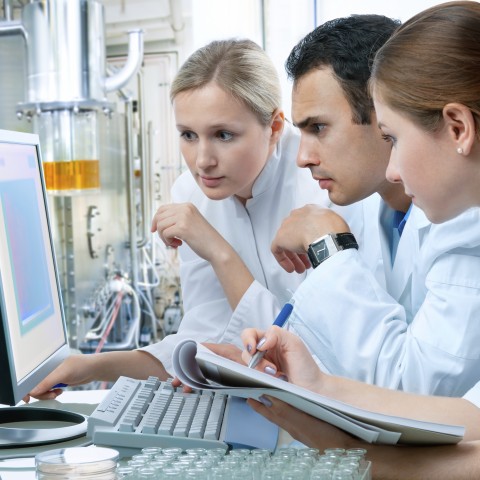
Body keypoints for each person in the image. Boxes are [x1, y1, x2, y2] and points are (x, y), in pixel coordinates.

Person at [25, 39, 363, 398]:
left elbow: (305, 353)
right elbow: (202, 338)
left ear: (275, 127)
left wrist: (218, 251)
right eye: (188, 135)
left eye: (223, 135)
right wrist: (91, 367)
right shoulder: (191, 192)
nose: (203, 160)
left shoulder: (324, 188)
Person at [242, 2, 480, 478]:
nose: (303, 158)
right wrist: (310, 381)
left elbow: (425, 395)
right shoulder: (379, 209)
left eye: (392, 137)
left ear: (457, 128)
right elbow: (471, 415)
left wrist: (353, 453)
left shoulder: (460, 218)